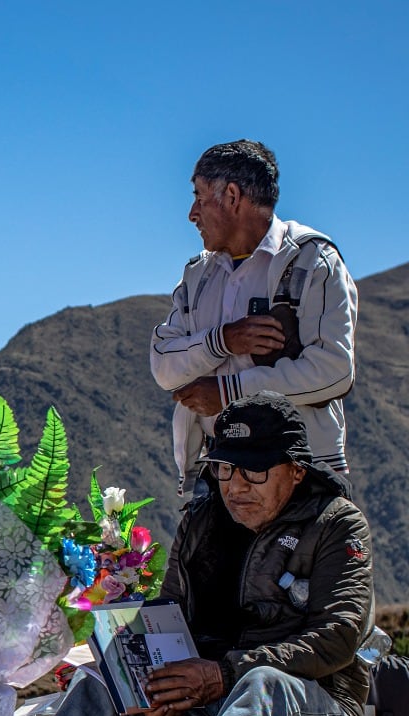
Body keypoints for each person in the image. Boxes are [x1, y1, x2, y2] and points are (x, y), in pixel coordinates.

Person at [35, 392, 373, 716]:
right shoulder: (201, 520)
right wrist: (138, 668)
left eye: (255, 471)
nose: (237, 486)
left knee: (264, 684)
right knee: (99, 684)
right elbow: (170, 614)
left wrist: (223, 673)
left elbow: (340, 636)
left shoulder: (336, 524)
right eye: (224, 468)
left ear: (295, 470)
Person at [151, 140, 358, 496]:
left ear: (232, 196)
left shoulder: (312, 262)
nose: (191, 213)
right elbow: (164, 366)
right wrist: (223, 340)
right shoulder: (198, 275)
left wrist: (229, 393)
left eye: (200, 197)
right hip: (218, 477)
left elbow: (334, 371)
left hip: (299, 477)